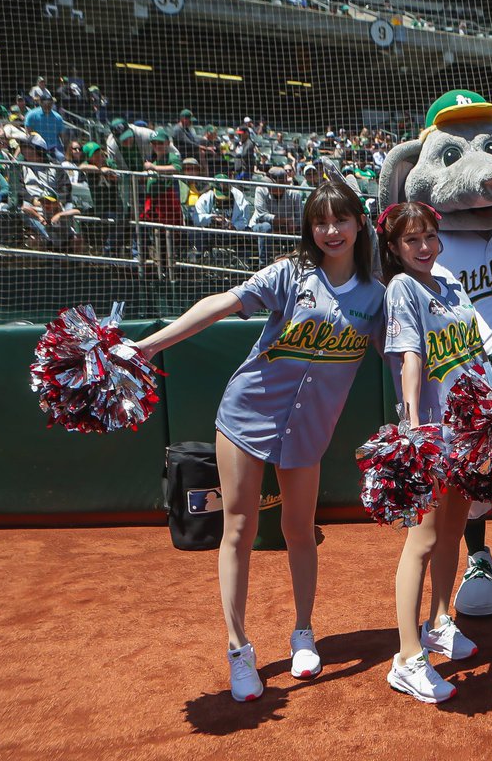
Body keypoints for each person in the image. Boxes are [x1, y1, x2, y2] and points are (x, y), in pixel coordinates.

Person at [133, 182, 385, 703]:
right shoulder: (290, 273)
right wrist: (151, 346)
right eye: (320, 222)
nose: (330, 231)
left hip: (309, 432)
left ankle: (303, 632)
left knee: (299, 529)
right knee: (239, 528)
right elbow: (222, 303)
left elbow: (400, 354)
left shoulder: (376, 296)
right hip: (247, 416)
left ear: (360, 224)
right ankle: (237, 647)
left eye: (341, 220)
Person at [379, 202, 484, 704]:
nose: (423, 247)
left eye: (428, 237)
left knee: (452, 531)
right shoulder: (402, 288)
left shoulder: (449, 285)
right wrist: (415, 426)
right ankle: (406, 657)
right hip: (435, 431)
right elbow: (411, 359)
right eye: (411, 240)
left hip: (470, 428)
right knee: (421, 541)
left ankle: (441, 621)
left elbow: (474, 353)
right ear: (395, 249)